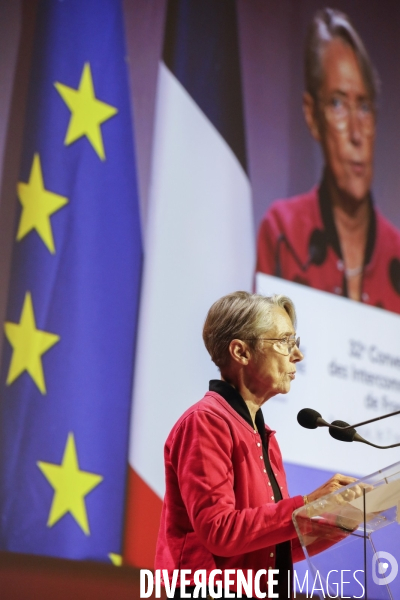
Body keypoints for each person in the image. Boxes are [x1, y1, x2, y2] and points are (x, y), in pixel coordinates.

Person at [155, 291, 358, 599]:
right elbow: (219, 531)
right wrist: (307, 503)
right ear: (241, 352)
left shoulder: (264, 437)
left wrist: (346, 518)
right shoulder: (205, 422)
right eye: (284, 342)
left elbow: (272, 542)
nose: (298, 356)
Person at [256, 8, 400, 313]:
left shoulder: (397, 254)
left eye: (364, 107)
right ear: (312, 116)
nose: (356, 134)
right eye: (337, 104)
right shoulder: (284, 235)